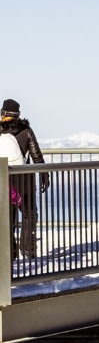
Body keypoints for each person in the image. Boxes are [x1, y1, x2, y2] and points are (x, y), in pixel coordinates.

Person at [1, 99, 48, 259]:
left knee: (7, 216)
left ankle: (11, 251)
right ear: (18, 115)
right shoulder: (26, 130)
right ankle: (27, 249)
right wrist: (44, 174)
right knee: (29, 213)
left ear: (3, 114)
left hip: (4, 180)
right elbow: (36, 155)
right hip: (24, 179)